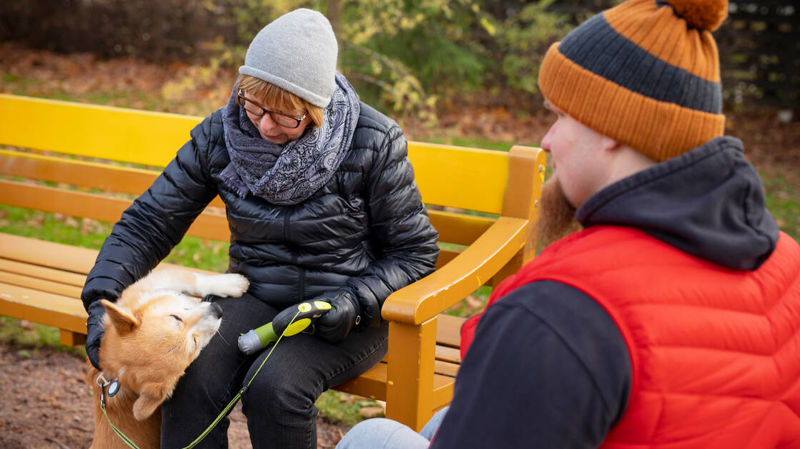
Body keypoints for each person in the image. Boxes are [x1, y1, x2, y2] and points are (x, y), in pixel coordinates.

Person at [337, 0, 800, 447]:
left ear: (613, 126)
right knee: (443, 418)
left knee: (370, 437)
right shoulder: (786, 261)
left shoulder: (558, 309)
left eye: (560, 116)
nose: (548, 139)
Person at [81, 8, 439, 449]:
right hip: (257, 294)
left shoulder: (374, 140)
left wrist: (352, 301)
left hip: (345, 314)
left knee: (275, 389)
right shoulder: (220, 135)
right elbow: (148, 222)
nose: (265, 125)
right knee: (192, 377)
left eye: (286, 115)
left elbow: (415, 252)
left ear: (316, 109)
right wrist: (101, 301)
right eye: (254, 106)